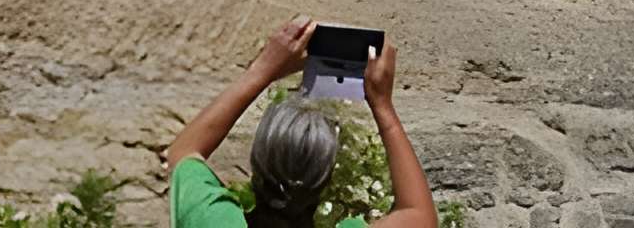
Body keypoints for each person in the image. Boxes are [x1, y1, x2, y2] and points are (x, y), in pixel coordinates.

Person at [162, 18, 436, 228]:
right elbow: (419, 216)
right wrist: (383, 107)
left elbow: (184, 152)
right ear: (326, 178)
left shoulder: (213, 220)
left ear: (257, 162)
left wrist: (263, 69)